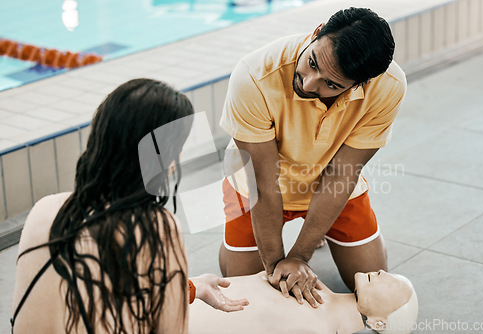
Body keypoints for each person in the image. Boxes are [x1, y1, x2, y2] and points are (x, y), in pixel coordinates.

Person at [11, 78, 247, 334]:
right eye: (176, 149)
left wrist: (189, 288)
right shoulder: (156, 227)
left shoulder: (45, 209)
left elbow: (91, 287)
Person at [218, 7, 407, 306]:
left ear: (361, 84)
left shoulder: (388, 87)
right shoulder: (253, 75)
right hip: (256, 185)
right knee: (243, 296)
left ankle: (314, 229)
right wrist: (277, 267)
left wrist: (299, 256)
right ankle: (252, 239)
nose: (308, 84)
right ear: (318, 31)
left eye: (331, 85)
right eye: (312, 62)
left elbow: (342, 174)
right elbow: (264, 183)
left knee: (376, 293)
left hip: (330, 182)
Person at [189, 270, 418, 334]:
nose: (382, 272)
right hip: (182, 295)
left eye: (392, 285)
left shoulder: (317, 328)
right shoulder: (311, 282)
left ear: (379, 323)